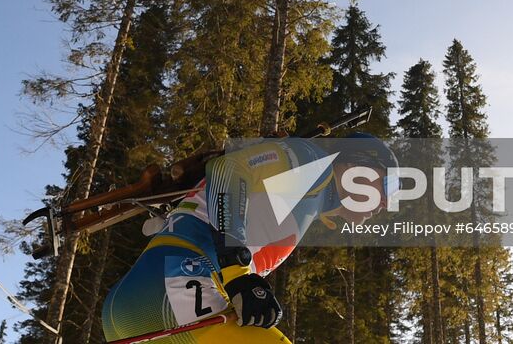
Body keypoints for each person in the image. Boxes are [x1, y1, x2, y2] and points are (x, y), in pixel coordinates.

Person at [101, 132, 397, 342]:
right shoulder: (314, 164)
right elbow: (227, 169)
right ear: (355, 165)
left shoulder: (310, 200)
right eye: (387, 184)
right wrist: (237, 272)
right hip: (170, 293)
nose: (385, 202)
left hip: (145, 305)